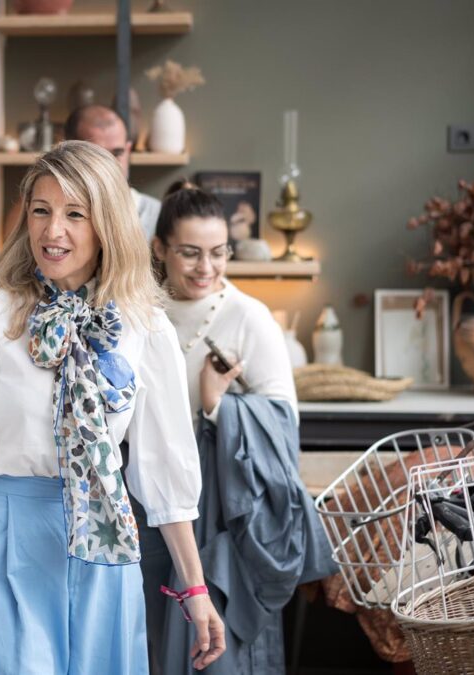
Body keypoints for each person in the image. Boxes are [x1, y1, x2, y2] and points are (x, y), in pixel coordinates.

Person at [0, 141, 226, 674]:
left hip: (105, 541)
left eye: (76, 214)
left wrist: (195, 588)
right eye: (41, 211)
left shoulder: (144, 328)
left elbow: (165, 468)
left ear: (107, 225)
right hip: (2, 537)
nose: (53, 231)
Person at [137, 182, 335, 674]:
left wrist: (217, 407)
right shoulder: (140, 313)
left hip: (222, 512)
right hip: (143, 504)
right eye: (190, 252)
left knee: (213, 653)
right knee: (149, 641)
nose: (206, 267)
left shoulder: (250, 319)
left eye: (218, 252)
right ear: (159, 248)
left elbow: (283, 427)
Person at [64, 104, 161, 240]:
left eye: (117, 153)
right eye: (98, 155)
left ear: (128, 150)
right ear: (67, 154)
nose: (110, 165)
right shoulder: (50, 217)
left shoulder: (158, 216)